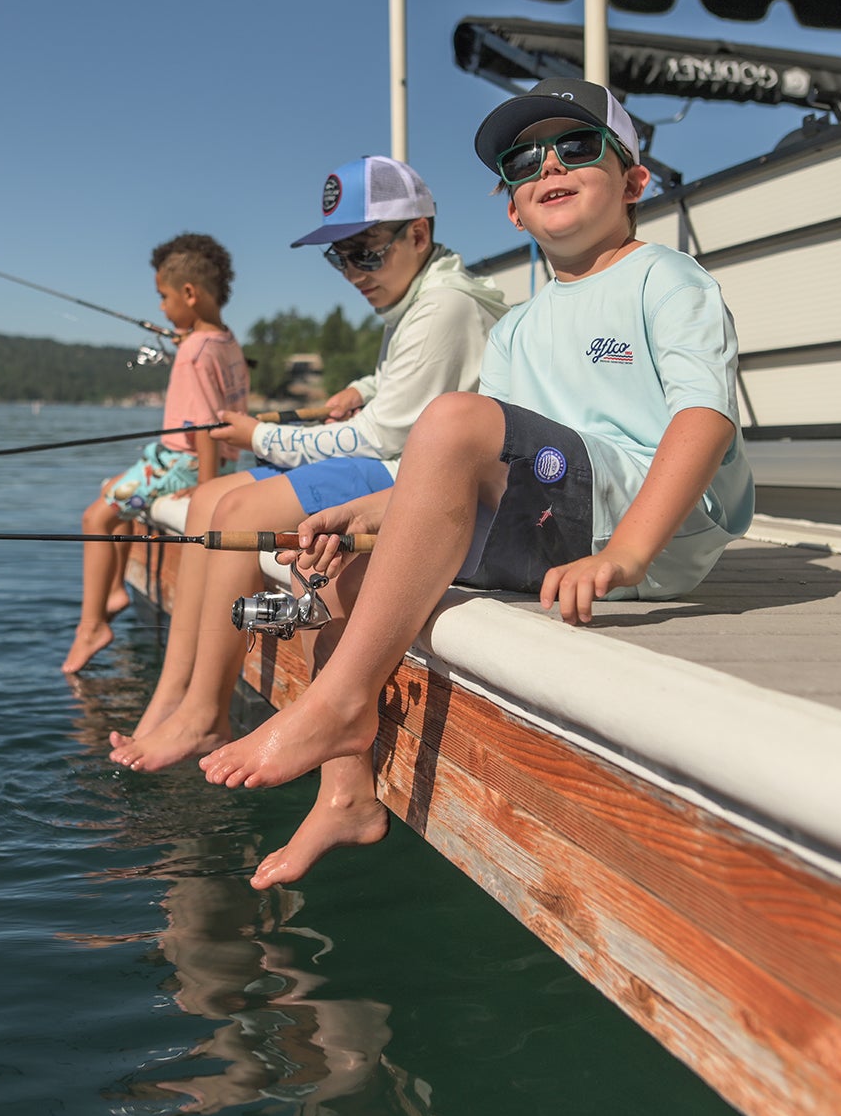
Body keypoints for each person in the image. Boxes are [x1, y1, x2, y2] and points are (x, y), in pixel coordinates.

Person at [197, 79, 756, 889]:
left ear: (634, 180)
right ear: (512, 212)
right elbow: (487, 473)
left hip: (645, 530)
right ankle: (346, 794)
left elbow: (703, 421)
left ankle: (338, 705)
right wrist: (370, 512)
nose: (548, 166)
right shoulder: (522, 328)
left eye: (576, 147)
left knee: (453, 419)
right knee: (352, 566)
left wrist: (629, 555)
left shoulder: (666, 279)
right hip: (563, 519)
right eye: (523, 163)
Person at [107, 156, 507, 771]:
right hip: (387, 456)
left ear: (418, 235)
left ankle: (205, 715)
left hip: (398, 474)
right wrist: (363, 387)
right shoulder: (421, 300)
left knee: (233, 507)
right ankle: (174, 698)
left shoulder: (444, 307)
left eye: (364, 252)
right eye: (338, 257)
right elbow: (401, 382)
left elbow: (376, 439)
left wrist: (258, 433)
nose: (351, 272)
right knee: (207, 504)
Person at [62, 233, 248, 673]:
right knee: (115, 492)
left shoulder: (193, 354)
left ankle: (92, 625)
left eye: (163, 297)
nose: (161, 308)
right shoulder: (226, 342)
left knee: (96, 517)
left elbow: (203, 427)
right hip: (210, 461)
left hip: (183, 464)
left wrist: (204, 491)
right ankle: (113, 593)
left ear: (189, 293)